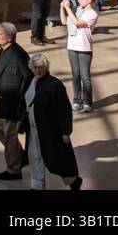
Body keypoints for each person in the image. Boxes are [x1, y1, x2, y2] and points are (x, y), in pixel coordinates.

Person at [22, 54, 83, 190]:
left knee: (55, 160)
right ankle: (37, 186)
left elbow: (64, 110)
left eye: (41, 67)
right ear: (31, 67)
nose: (38, 70)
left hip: (49, 131)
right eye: (35, 67)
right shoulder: (28, 81)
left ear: (46, 67)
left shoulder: (55, 85)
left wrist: (65, 132)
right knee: (35, 155)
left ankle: (73, 180)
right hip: (32, 129)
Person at [0, 22, 32, 181]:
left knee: (10, 133)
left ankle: (14, 170)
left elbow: (28, 77)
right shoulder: (4, 50)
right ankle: (19, 156)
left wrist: (21, 101)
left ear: (8, 37)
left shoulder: (18, 54)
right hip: (3, 98)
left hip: (13, 101)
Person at [61, 0, 99, 113]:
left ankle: (87, 101)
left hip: (84, 48)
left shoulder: (92, 14)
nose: (78, 0)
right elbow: (64, 21)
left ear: (89, 1)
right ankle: (77, 100)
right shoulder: (77, 11)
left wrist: (67, 8)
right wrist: (62, 8)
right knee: (75, 75)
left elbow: (77, 22)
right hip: (72, 46)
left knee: (85, 77)